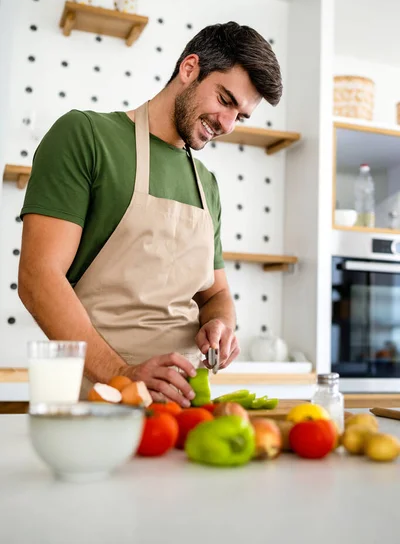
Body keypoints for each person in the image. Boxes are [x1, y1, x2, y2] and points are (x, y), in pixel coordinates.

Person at [18, 21, 282, 406]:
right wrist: (122, 377)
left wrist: (220, 324)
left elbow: (217, 293)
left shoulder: (206, 185)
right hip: (102, 396)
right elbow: (38, 276)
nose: (226, 125)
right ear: (189, 68)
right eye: (225, 100)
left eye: (240, 116)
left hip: (185, 405)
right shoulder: (85, 136)